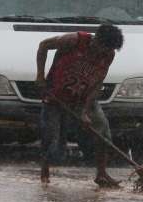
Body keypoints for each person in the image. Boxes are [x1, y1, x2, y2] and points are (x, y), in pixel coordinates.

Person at [36, 24, 124, 187]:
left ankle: (102, 174)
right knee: (52, 139)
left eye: (109, 50)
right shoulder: (74, 41)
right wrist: (40, 75)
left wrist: (84, 110)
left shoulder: (108, 56)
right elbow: (43, 46)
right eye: (103, 48)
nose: (104, 53)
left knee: (103, 132)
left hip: (83, 98)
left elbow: (98, 83)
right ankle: (45, 171)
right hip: (56, 95)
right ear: (96, 40)